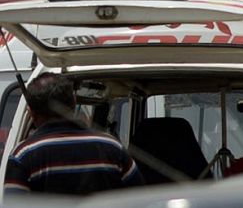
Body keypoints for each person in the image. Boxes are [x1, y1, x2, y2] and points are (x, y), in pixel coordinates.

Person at [4, 72, 144, 196]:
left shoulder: (23, 155)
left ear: (31, 113)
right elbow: (140, 199)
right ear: (73, 103)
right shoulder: (112, 147)